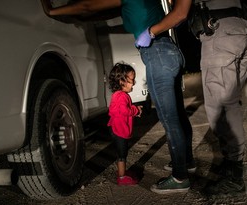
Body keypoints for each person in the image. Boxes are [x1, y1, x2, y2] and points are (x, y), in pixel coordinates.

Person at [41, 0, 195, 194]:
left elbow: (88, 6)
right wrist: (75, 17)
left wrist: (52, 10)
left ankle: (180, 177)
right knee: (178, 115)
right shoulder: (133, 5)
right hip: (168, 51)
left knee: (170, 119)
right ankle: (186, 162)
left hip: (157, 53)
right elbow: (97, 13)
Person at [188, 0, 247, 197]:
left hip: (221, 31)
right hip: (242, 27)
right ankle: (231, 165)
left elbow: (181, 8)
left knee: (220, 108)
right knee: (231, 103)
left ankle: (235, 176)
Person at [107, 62, 143, 186]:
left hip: (115, 128)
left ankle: (122, 173)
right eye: (131, 80)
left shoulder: (117, 95)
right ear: (121, 81)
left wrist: (133, 109)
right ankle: (122, 177)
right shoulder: (122, 96)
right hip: (119, 130)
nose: (133, 83)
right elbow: (124, 111)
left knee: (121, 153)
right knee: (122, 154)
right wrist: (136, 110)